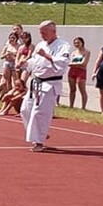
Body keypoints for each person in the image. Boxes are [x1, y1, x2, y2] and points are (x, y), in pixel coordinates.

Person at [23, 21, 72, 152]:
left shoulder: (63, 46)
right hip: (36, 82)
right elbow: (35, 61)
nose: (42, 35)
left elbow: (63, 62)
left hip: (50, 84)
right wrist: (25, 64)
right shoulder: (41, 44)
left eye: (44, 32)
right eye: (40, 32)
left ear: (53, 31)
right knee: (25, 109)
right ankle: (40, 134)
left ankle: (38, 142)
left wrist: (46, 55)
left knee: (39, 113)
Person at [67, 37, 89, 110]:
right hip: (72, 71)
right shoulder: (73, 53)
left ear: (82, 43)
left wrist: (75, 64)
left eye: (78, 43)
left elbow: (84, 63)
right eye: (75, 43)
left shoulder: (86, 52)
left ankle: (83, 107)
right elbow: (69, 63)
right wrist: (77, 64)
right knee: (72, 89)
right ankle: (71, 105)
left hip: (81, 72)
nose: (76, 44)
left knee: (82, 90)